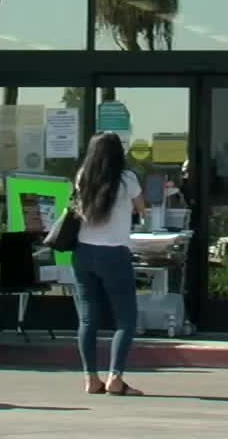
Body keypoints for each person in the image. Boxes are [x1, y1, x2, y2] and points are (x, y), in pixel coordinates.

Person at [72, 133, 146, 396]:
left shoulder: (83, 176)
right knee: (125, 318)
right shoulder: (127, 179)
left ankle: (91, 379)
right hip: (114, 253)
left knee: (88, 318)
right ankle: (115, 377)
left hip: (83, 252)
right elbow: (142, 209)